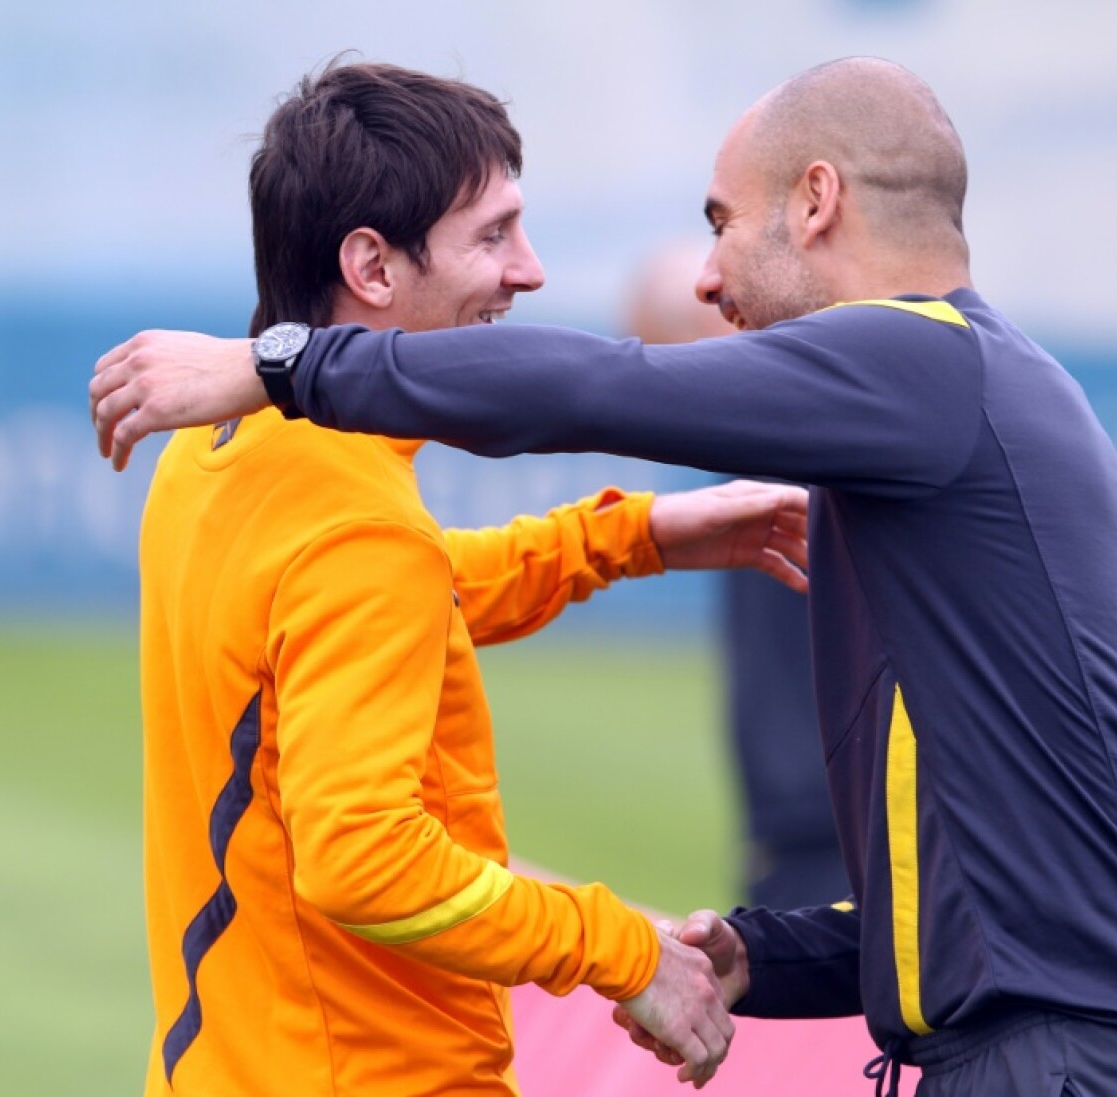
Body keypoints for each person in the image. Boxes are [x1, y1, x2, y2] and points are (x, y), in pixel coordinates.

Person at [91, 56, 1117, 1095]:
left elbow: (586, 400)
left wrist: (281, 366)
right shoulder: (954, 386)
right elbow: (394, 602)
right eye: (496, 234)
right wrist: (732, 949)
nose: (703, 277)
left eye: (719, 223)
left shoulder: (929, 363)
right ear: (372, 267)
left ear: (817, 203)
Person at [119, 60, 824, 1097]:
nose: (528, 272)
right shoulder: (358, 526)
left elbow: (387, 610)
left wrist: (635, 536)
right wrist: (622, 949)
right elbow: (365, 857)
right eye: (493, 236)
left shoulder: (220, 444)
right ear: (372, 265)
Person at [624, 239, 847, 911]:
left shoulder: (806, 431)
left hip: (832, 834)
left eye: (665, 356)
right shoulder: (771, 441)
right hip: (799, 826)